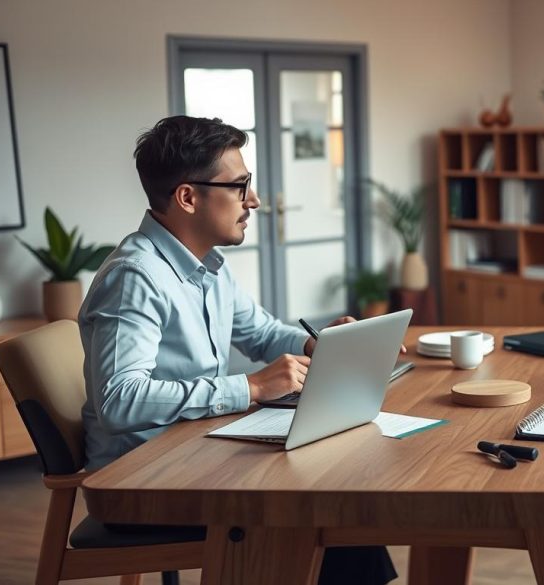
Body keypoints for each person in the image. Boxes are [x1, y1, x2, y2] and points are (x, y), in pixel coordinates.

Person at [79, 115, 396, 584]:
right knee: (319, 508)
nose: (255, 201)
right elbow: (118, 401)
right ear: (188, 197)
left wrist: (319, 342)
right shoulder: (136, 277)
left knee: (337, 496)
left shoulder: (209, 265)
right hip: (144, 482)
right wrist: (249, 387)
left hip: (197, 453)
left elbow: (262, 334)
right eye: (240, 185)